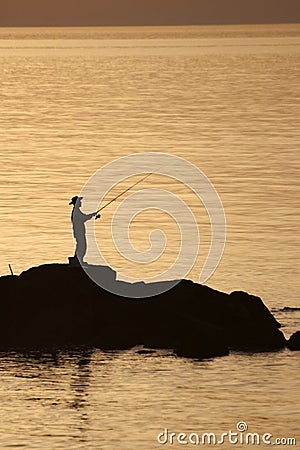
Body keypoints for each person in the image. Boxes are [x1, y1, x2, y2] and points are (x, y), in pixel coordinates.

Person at [69, 196, 100, 264]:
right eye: (79, 201)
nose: (81, 202)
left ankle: (78, 259)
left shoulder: (76, 211)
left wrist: (92, 215)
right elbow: (83, 218)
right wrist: (92, 215)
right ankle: (77, 260)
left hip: (78, 232)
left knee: (81, 245)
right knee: (82, 246)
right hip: (79, 232)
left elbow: (84, 217)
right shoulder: (76, 212)